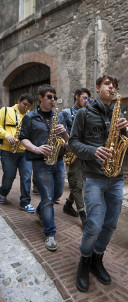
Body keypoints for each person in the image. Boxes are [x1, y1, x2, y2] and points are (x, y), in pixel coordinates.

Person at [68, 73, 128, 292]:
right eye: (107, 84)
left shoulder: (118, 112)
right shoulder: (84, 113)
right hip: (94, 177)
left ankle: (97, 259)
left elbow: (127, 140)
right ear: (97, 88)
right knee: (94, 224)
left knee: (111, 224)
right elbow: (73, 143)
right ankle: (84, 261)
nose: (111, 87)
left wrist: (125, 130)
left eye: (114, 85)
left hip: (117, 177)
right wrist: (94, 151)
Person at [19, 84, 69, 251]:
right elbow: (23, 138)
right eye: (49, 97)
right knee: (48, 197)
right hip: (41, 162)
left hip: (58, 160)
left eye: (54, 97)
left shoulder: (59, 116)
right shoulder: (30, 117)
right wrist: (36, 148)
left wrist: (64, 133)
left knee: (58, 193)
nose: (53, 100)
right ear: (40, 97)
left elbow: (67, 140)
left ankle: (40, 211)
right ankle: (50, 234)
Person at [58, 88, 91, 227]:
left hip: (85, 152)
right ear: (76, 96)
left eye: (88, 99)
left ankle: (67, 204)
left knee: (80, 183)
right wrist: (69, 140)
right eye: (84, 98)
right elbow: (58, 133)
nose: (86, 101)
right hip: (72, 154)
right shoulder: (66, 113)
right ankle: (83, 214)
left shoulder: (87, 114)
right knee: (77, 184)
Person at [0, 93, 35, 213]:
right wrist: (6, 135)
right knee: (9, 176)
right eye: (24, 104)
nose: (26, 108)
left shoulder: (29, 116)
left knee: (26, 177)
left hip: (25, 152)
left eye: (29, 106)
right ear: (19, 101)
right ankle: (3, 193)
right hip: (8, 151)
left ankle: (25, 202)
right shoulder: (5, 111)